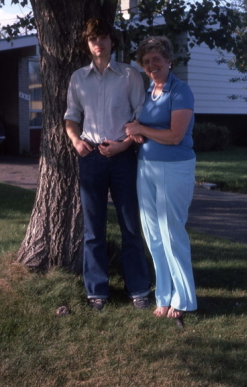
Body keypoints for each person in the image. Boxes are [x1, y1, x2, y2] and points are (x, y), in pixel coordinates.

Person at [64, 18, 150, 311]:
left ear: (112, 42)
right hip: (91, 159)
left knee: (130, 226)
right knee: (93, 228)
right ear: (87, 44)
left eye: (102, 38)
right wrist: (77, 142)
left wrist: (123, 145)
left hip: (124, 156)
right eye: (92, 40)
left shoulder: (130, 75)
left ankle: (138, 288)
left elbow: (140, 116)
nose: (98, 44)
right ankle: (97, 291)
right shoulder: (78, 78)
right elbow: (71, 116)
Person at [125, 36, 197, 320]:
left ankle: (184, 299)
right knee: (154, 235)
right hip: (146, 167)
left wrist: (141, 128)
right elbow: (140, 128)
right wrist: (137, 131)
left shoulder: (181, 91)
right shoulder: (148, 92)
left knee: (172, 233)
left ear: (168, 60)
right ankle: (164, 297)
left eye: (157, 59)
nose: (152, 65)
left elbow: (175, 135)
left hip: (175, 167)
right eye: (147, 61)